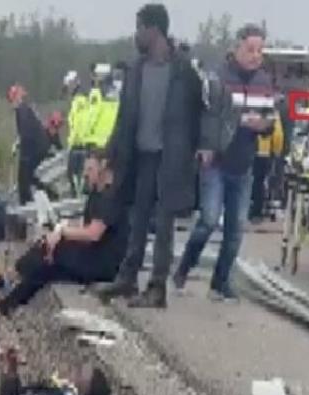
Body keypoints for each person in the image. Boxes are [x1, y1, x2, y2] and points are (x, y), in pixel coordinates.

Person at [98, 4, 212, 309]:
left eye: (139, 28)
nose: (136, 35)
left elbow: (203, 113)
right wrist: (108, 154)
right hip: (141, 157)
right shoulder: (135, 70)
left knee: (163, 224)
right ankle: (127, 279)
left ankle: (157, 288)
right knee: (137, 219)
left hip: (170, 158)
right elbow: (124, 118)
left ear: (154, 30)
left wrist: (204, 146)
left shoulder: (184, 72)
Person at [173, 24, 277, 302]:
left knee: (235, 229)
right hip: (216, 162)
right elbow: (205, 116)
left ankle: (220, 283)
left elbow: (270, 121)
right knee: (208, 220)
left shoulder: (264, 82)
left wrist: (263, 124)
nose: (255, 56)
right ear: (237, 48)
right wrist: (204, 146)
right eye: (250, 49)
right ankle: (184, 268)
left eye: (260, 50)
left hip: (244, 163)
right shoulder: (218, 78)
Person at [0, 152, 129, 315]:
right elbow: (84, 225)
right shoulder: (96, 194)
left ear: (103, 166)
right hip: (92, 254)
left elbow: (93, 234)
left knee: (50, 249)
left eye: (90, 169)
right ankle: (8, 305)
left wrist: (61, 232)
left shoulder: (111, 197)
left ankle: (13, 275)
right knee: (46, 267)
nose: (85, 174)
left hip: (103, 264)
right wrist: (60, 228)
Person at [11, 84, 53, 205]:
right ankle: (46, 193)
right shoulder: (26, 109)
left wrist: (22, 151)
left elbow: (26, 132)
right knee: (29, 176)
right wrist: (18, 143)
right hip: (38, 147)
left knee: (24, 177)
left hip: (34, 148)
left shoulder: (22, 110)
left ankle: (27, 203)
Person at [250, 113, 285, 222]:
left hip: (246, 150)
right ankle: (256, 212)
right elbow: (278, 135)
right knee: (259, 182)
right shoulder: (271, 111)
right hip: (263, 151)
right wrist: (276, 150)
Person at [65, 70, 91, 196]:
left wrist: (73, 142)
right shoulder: (81, 99)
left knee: (74, 176)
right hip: (81, 144)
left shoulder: (79, 101)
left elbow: (78, 124)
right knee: (77, 176)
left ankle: (78, 198)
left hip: (79, 145)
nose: (68, 88)